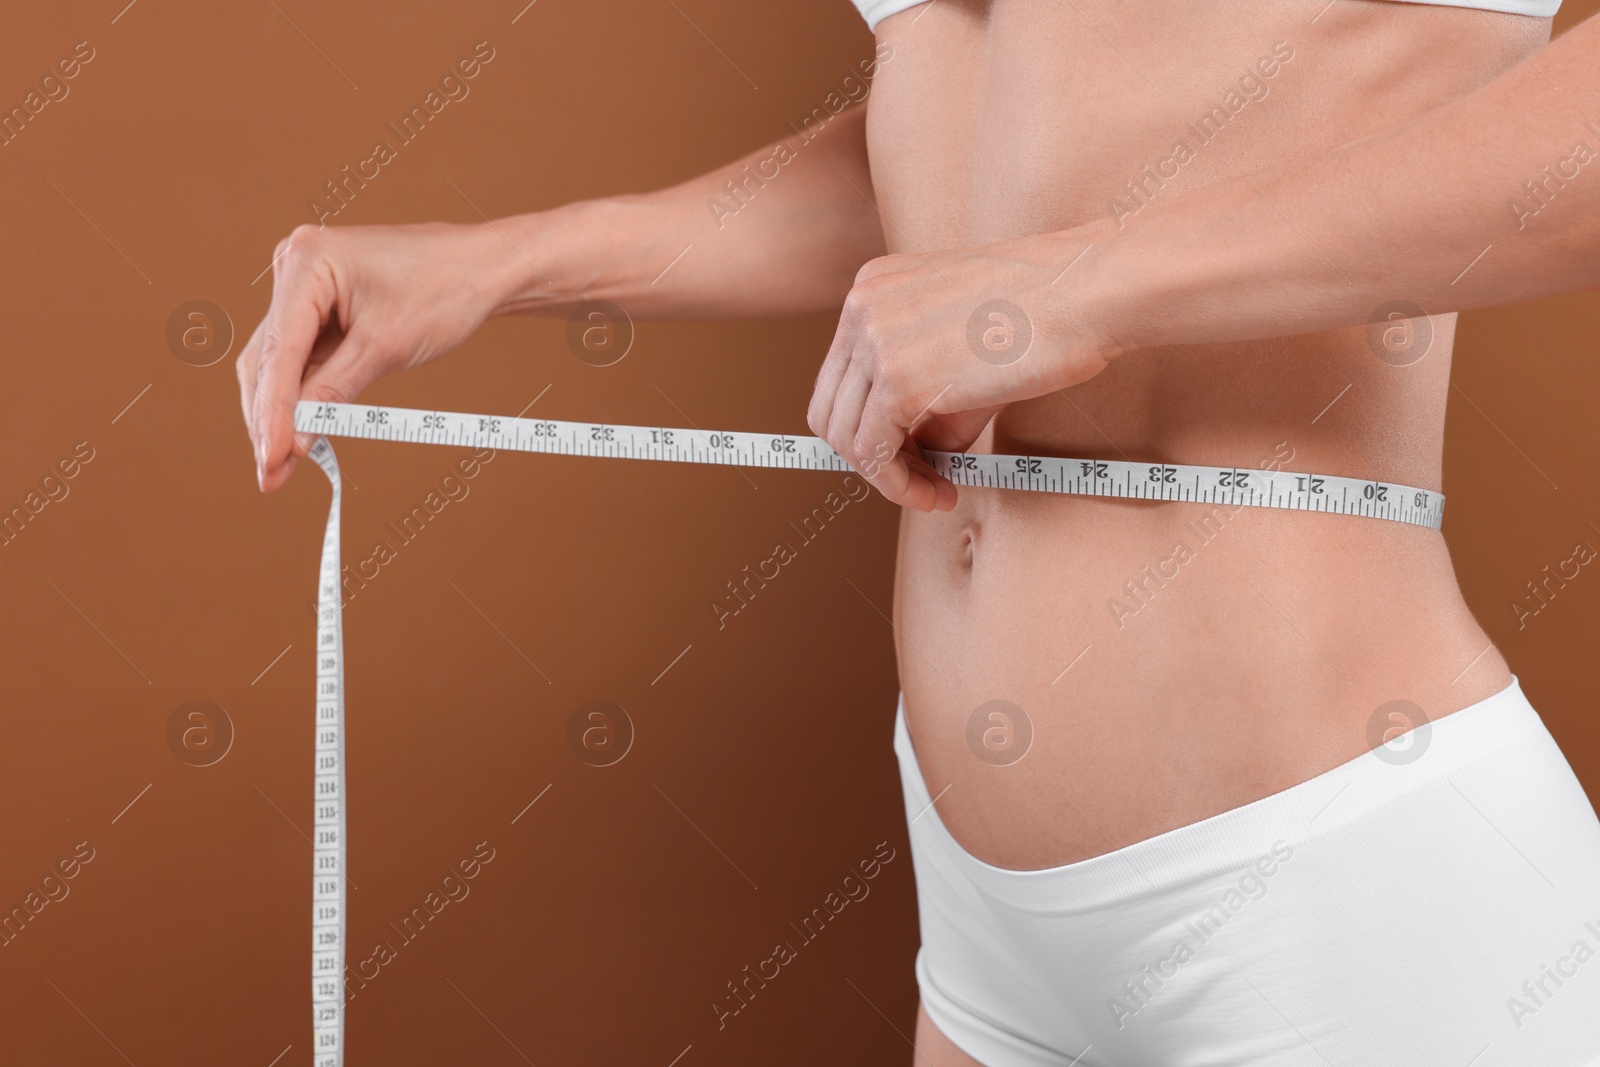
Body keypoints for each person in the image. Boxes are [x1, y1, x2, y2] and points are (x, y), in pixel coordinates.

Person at [238, 1, 1600, 1062]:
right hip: (991, 937)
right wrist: (514, 261)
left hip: (1334, 882)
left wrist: (1078, 287)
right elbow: (973, 135)